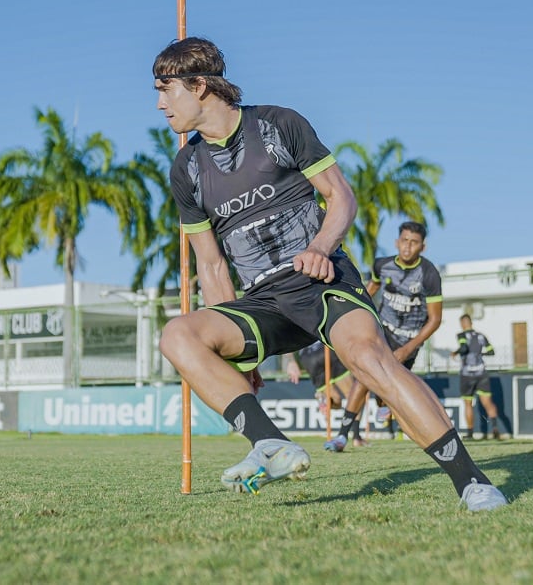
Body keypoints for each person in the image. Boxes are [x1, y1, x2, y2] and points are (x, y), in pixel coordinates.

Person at [153, 36, 506, 511]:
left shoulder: (279, 125)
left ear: (198, 86)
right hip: (260, 302)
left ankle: (472, 482)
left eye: (165, 89)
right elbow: (213, 265)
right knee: (177, 334)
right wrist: (246, 361)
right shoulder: (186, 168)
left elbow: (341, 196)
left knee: (368, 358)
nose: (160, 104)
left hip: (319, 281)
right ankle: (271, 444)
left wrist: (321, 247)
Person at [323, 221, 444, 449]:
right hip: (382, 331)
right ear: (397, 242)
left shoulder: (429, 274)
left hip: (408, 340)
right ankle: (342, 436)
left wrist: (408, 348)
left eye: (414, 243)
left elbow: (435, 320)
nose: (408, 247)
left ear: (423, 247)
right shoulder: (382, 265)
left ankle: (386, 407)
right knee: (363, 376)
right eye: (405, 241)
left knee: (390, 386)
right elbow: (370, 291)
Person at [283, 341, 367, 447]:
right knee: (353, 396)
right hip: (325, 348)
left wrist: (291, 362)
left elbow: (287, 337)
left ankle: (323, 398)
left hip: (307, 357)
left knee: (337, 401)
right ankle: (356, 437)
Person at [453, 314, 505, 440]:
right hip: (482, 373)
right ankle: (495, 429)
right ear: (471, 323)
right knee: (487, 402)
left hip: (467, 374)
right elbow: (491, 351)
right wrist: (479, 353)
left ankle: (470, 433)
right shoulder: (481, 336)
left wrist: (455, 353)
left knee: (468, 403)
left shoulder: (462, 335)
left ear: (463, 323)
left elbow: (464, 348)